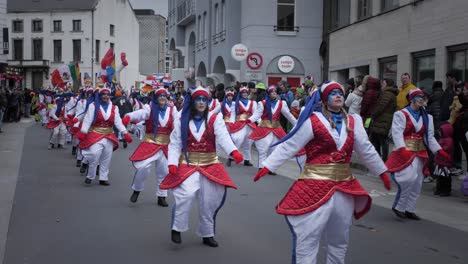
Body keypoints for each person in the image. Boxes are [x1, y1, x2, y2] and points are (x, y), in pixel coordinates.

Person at [253, 81, 390, 264]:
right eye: (333, 93)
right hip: (314, 184)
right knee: (308, 238)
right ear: (325, 99)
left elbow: (366, 149)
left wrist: (382, 171)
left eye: (340, 93)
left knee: (340, 239)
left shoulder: (353, 121)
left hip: (343, 187)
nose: (338, 96)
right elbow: (291, 145)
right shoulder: (313, 121)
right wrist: (268, 166)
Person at [160, 87, 243, 247]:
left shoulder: (214, 118)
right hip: (188, 163)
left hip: (210, 163)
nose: (201, 102)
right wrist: (172, 163)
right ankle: (177, 228)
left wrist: (234, 151)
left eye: (204, 100)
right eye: (198, 99)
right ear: (192, 102)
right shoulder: (181, 120)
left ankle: (207, 233)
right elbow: (175, 143)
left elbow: (223, 136)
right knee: (185, 195)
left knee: (209, 200)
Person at [386, 89, 450, 220]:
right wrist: (402, 148)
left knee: (417, 181)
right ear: (412, 99)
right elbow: (397, 133)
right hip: (405, 151)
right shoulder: (401, 114)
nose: (422, 99)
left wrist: (439, 150)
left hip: (420, 152)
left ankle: (409, 209)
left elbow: (429, 138)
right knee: (408, 178)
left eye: (423, 97)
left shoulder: (427, 117)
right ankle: (399, 206)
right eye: (419, 97)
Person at [123, 87, 177, 206]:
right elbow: (140, 114)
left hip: (165, 145)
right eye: (160, 96)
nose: (162, 97)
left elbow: (179, 122)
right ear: (156, 98)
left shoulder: (172, 110)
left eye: (164, 96)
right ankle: (137, 189)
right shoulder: (150, 108)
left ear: (167, 98)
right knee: (143, 167)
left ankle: (161, 196)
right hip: (150, 142)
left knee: (163, 171)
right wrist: (129, 117)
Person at [76, 85, 133, 186]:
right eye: (104, 94)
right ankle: (90, 175)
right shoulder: (93, 105)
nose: (106, 96)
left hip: (109, 135)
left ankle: (103, 178)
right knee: (94, 155)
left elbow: (118, 121)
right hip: (95, 133)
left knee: (106, 157)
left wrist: (125, 133)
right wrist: (83, 131)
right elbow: (88, 119)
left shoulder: (114, 108)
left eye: (107, 95)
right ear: (100, 95)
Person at [249, 85, 297, 173]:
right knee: (263, 148)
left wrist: (296, 123)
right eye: (272, 92)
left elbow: (288, 115)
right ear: (268, 93)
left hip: (276, 128)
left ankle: (269, 168)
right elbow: (257, 115)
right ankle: (261, 167)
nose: (274, 93)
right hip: (264, 128)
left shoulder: (281, 103)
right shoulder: (262, 103)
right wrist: (249, 120)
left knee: (275, 149)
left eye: (275, 92)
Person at [228, 86, 260, 167]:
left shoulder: (253, 103)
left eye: (246, 93)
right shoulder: (235, 103)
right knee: (238, 140)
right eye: (243, 93)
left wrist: (260, 122)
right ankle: (232, 156)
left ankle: (247, 160)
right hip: (240, 123)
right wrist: (231, 123)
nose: (245, 95)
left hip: (250, 124)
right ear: (241, 94)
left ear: (248, 93)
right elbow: (233, 114)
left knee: (248, 143)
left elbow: (256, 114)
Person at [369, 78, 397, 161]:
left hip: (382, 120)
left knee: (380, 140)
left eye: (383, 83)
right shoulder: (388, 93)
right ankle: (380, 158)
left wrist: (373, 115)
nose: (382, 85)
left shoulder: (387, 94)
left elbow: (381, 106)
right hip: (383, 120)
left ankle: (383, 159)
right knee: (378, 139)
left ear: (387, 84)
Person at [433, 122, 454, 196]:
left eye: (440, 131)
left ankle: (446, 190)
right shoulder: (442, 139)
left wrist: (438, 149)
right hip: (439, 161)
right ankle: (439, 189)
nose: (439, 132)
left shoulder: (449, 140)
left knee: (445, 177)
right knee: (440, 177)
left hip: (445, 162)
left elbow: (446, 149)